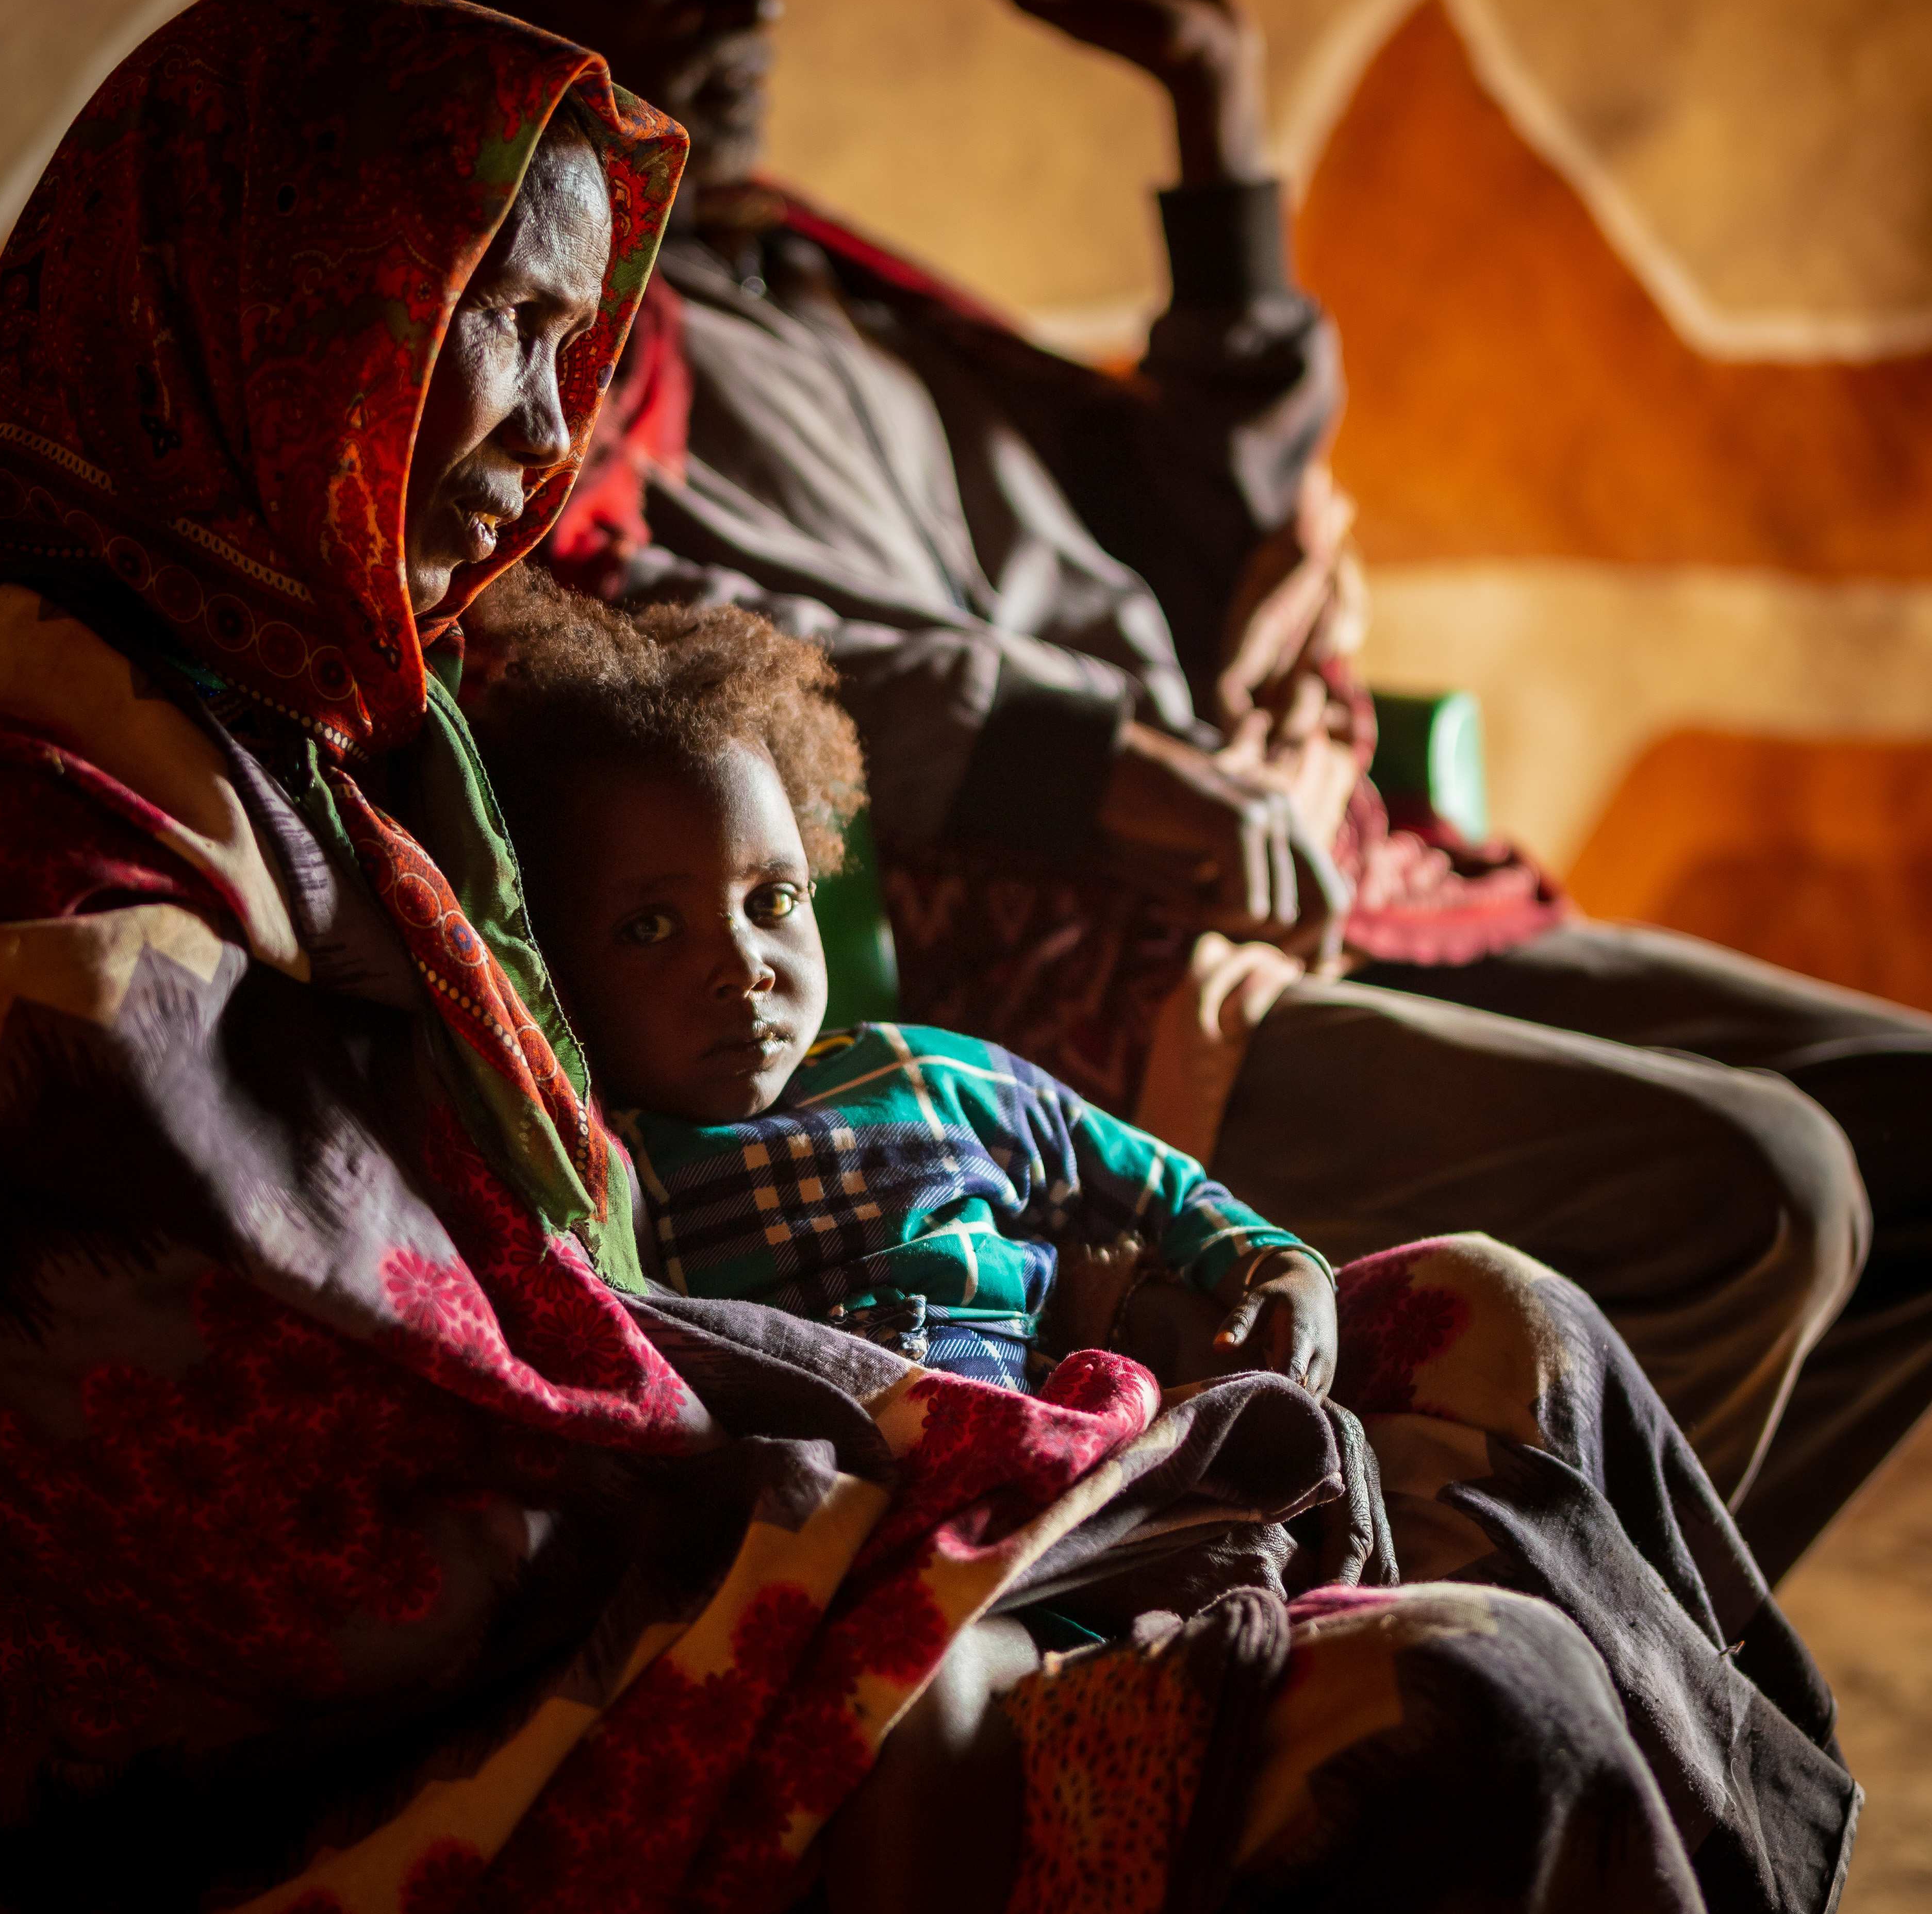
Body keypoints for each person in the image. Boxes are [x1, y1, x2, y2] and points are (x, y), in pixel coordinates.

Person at [0, 0, 1856, 1914]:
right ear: (261, 302)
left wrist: (1031, 1414)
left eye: (557, 331)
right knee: (1435, 1710)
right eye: (471, 321)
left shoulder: (330, 725)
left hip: (661, 1558)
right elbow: (384, 1519)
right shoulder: (38, 849)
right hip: (312, 1838)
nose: (538, 414)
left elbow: (603, 1321)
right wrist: (952, 1452)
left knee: (1472, 1332)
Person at [303, 0, 1932, 1589]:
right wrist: (1100, 759)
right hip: (1072, 958)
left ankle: (1605, 1669)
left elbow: (1204, 524)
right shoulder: (526, 361)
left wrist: (1213, 114)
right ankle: (1460, 1742)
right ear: (497, 11)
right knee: (1761, 1200)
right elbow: (623, 652)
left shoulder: (815, 280)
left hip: (1304, 862)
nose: (754, 1)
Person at [467, 575, 1340, 1403]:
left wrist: (1279, 1268)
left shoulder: (936, 1079)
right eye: (649, 928)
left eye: (772, 899)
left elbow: (1168, 1195)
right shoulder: (609, 1176)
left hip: (1052, 1435)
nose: (743, 965)